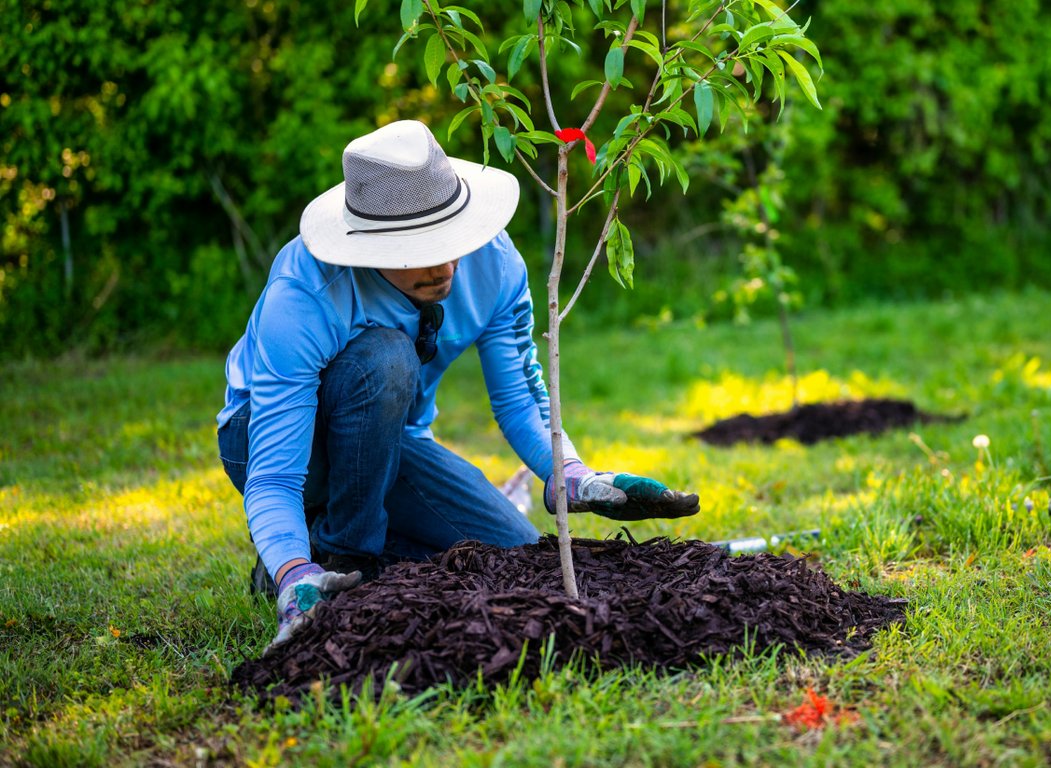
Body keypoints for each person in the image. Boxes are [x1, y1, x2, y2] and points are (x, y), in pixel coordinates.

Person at [216, 120, 699, 648]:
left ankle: (320, 547)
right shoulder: (307, 295)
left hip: (390, 444)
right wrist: (293, 573)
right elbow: (274, 476)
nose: (446, 264)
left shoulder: (493, 264)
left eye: (452, 238)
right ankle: (329, 560)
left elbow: (520, 397)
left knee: (511, 552)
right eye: (419, 248)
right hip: (271, 441)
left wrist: (571, 475)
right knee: (386, 356)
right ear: (370, 247)